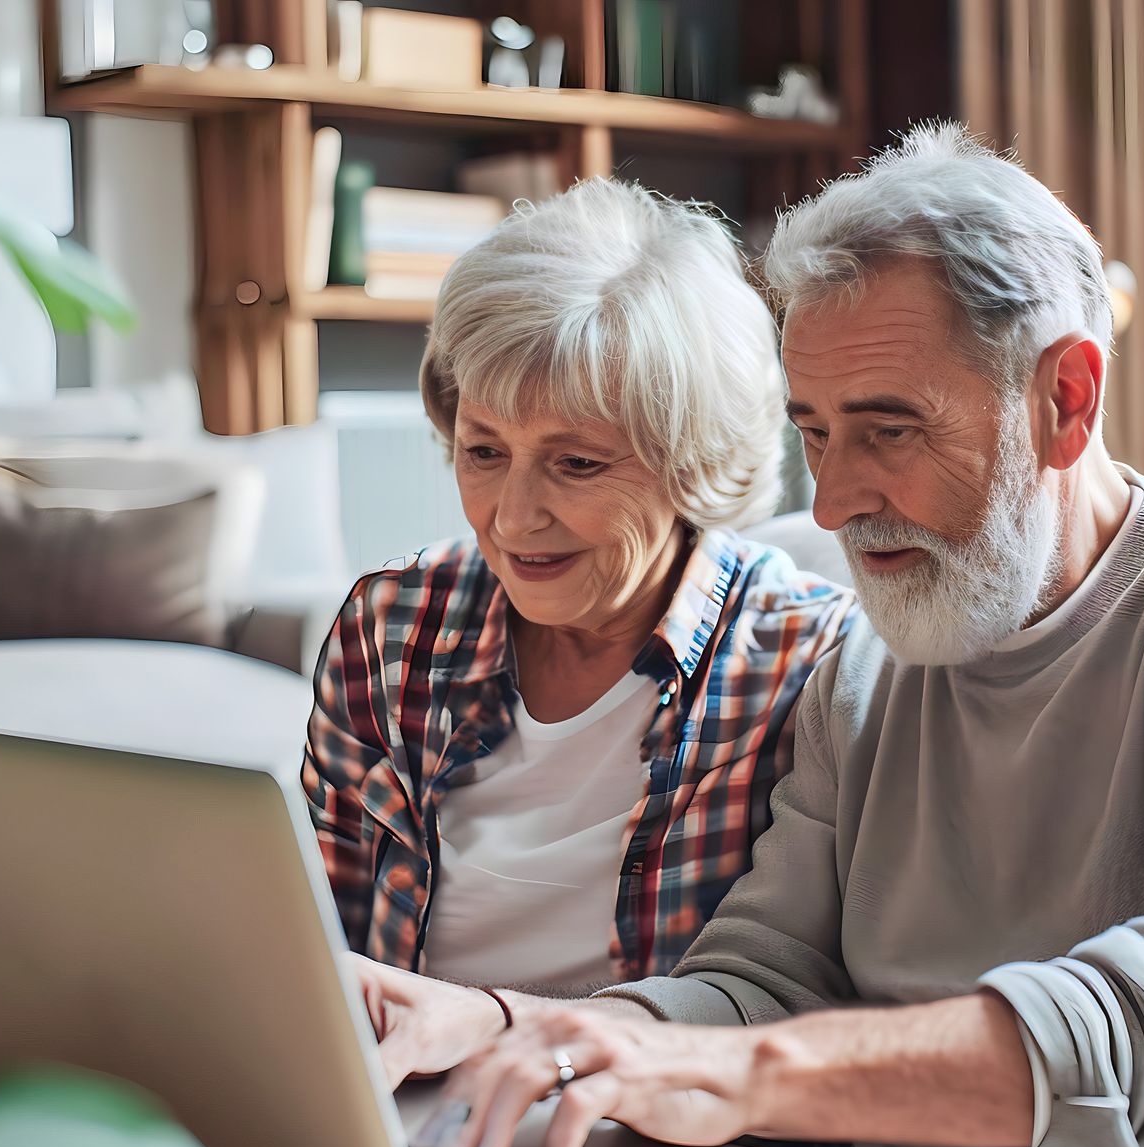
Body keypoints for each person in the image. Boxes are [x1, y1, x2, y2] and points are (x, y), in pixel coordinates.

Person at [353, 124, 1144, 1147]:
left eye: (889, 431)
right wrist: (506, 1025)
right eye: (815, 433)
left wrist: (748, 1074)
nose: (831, 503)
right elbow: (759, 982)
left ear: (1066, 399)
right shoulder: (867, 667)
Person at [301, 178, 856, 1004]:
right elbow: (319, 945)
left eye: (577, 463)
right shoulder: (393, 627)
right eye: (484, 452)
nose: (513, 518)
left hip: (645, 1089)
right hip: (396, 1083)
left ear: (693, 464)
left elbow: (803, 997)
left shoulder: (808, 666)